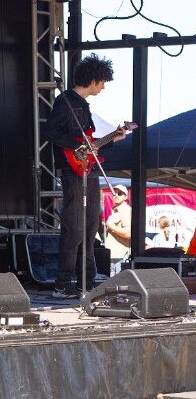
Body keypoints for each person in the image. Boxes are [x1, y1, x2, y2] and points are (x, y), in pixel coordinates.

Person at [44, 53, 126, 299]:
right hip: (72, 171)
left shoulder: (84, 106)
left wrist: (113, 138)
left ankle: (87, 280)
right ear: (93, 80)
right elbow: (51, 132)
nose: (103, 87)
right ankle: (63, 281)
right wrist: (76, 146)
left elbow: (90, 144)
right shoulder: (66, 101)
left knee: (91, 225)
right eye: (102, 82)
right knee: (73, 227)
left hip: (88, 170)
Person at [105, 184, 131, 276]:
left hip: (120, 256)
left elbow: (128, 234)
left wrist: (110, 226)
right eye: (114, 193)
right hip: (112, 254)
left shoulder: (126, 211)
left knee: (118, 284)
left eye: (119, 193)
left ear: (126, 197)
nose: (116, 195)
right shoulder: (115, 210)